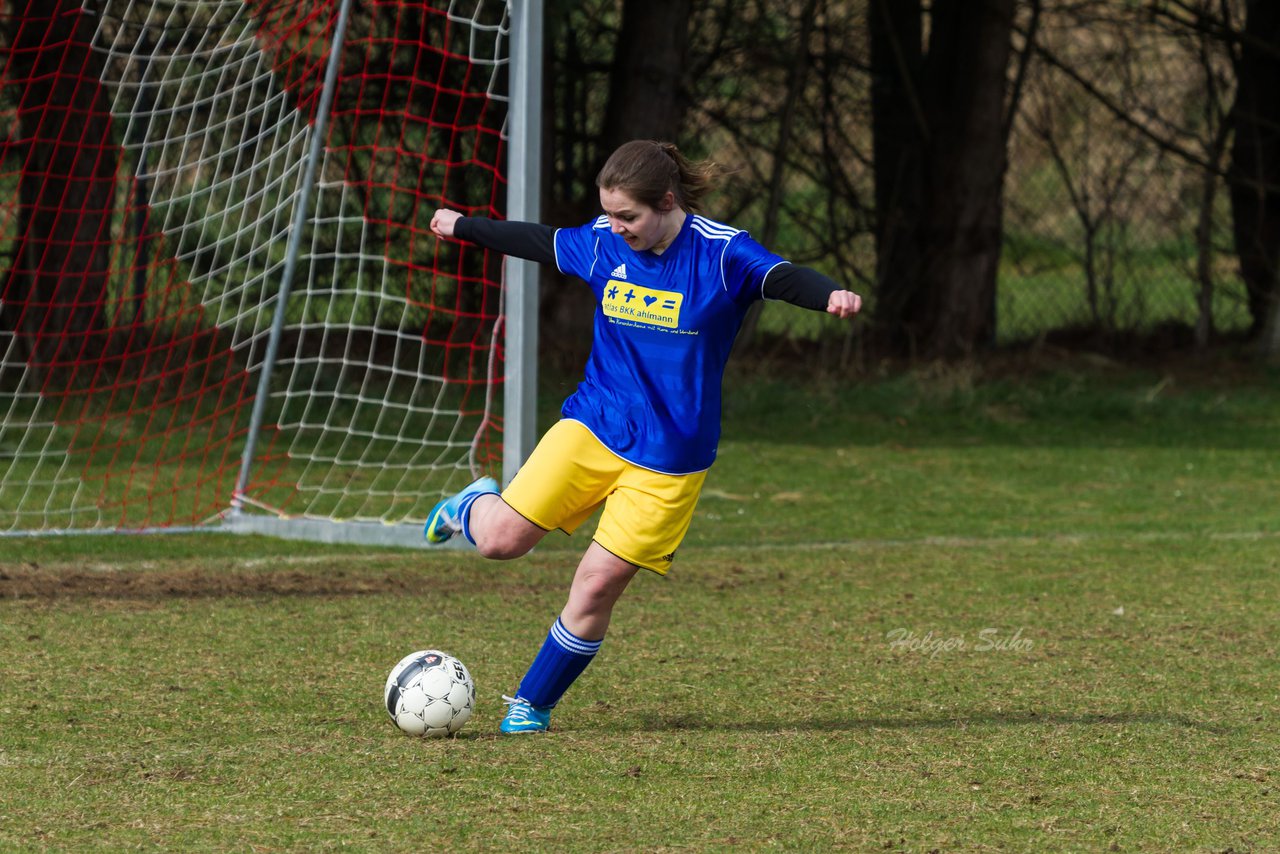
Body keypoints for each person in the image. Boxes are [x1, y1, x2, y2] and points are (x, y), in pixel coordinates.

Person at [425, 140, 861, 734]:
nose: (615, 226)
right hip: (595, 424)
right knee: (500, 543)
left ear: (667, 202)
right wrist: (465, 227)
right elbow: (539, 241)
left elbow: (779, 275)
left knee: (598, 583)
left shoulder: (720, 252)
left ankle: (532, 703)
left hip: (671, 456)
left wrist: (827, 292)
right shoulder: (604, 243)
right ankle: (472, 502)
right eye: (608, 214)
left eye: (627, 215)